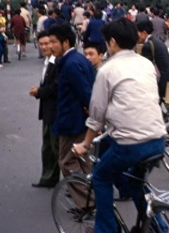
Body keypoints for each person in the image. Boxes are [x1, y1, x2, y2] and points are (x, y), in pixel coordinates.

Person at [72, 18, 166, 233]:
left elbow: (96, 115)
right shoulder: (146, 64)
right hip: (158, 140)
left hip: (130, 144)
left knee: (101, 177)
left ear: (112, 42)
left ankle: (106, 230)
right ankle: (156, 227)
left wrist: (85, 144)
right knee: (135, 182)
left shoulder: (107, 69)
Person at [48, 24, 95, 207]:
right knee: (82, 161)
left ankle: (88, 203)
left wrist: (90, 112)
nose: (50, 46)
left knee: (67, 161)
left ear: (65, 43)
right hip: (78, 120)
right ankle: (91, 197)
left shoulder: (70, 63)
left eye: (53, 42)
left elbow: (85, 92)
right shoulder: (77, 59)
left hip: (72, 122)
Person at [29, 31, 60, 188]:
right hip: (48, 110)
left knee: (56, 148)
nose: (44, 47)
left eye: (47, 43)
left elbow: (55, 87)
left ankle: (73, 184)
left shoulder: (57, 63)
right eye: (41, 44)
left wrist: (39, 92)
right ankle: (48, 178)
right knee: (48, 147)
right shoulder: (48, 61)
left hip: (55, 111)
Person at [137, 20, 169, 99]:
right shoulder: (156, 41)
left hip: (159, 82)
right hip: (165, 77)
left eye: (137, 32)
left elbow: (144, 68)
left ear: (144, 33)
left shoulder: (147, 45)